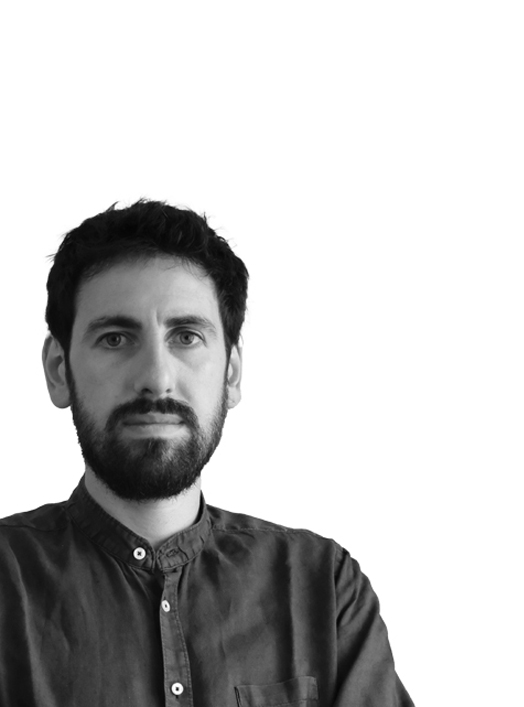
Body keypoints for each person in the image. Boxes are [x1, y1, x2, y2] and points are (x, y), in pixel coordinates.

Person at [0, 200, 414, 707]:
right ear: (58, 370)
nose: (156, 378)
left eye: (186, 336)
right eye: (115, 338)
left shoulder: (323, 590)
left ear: (231, 374)